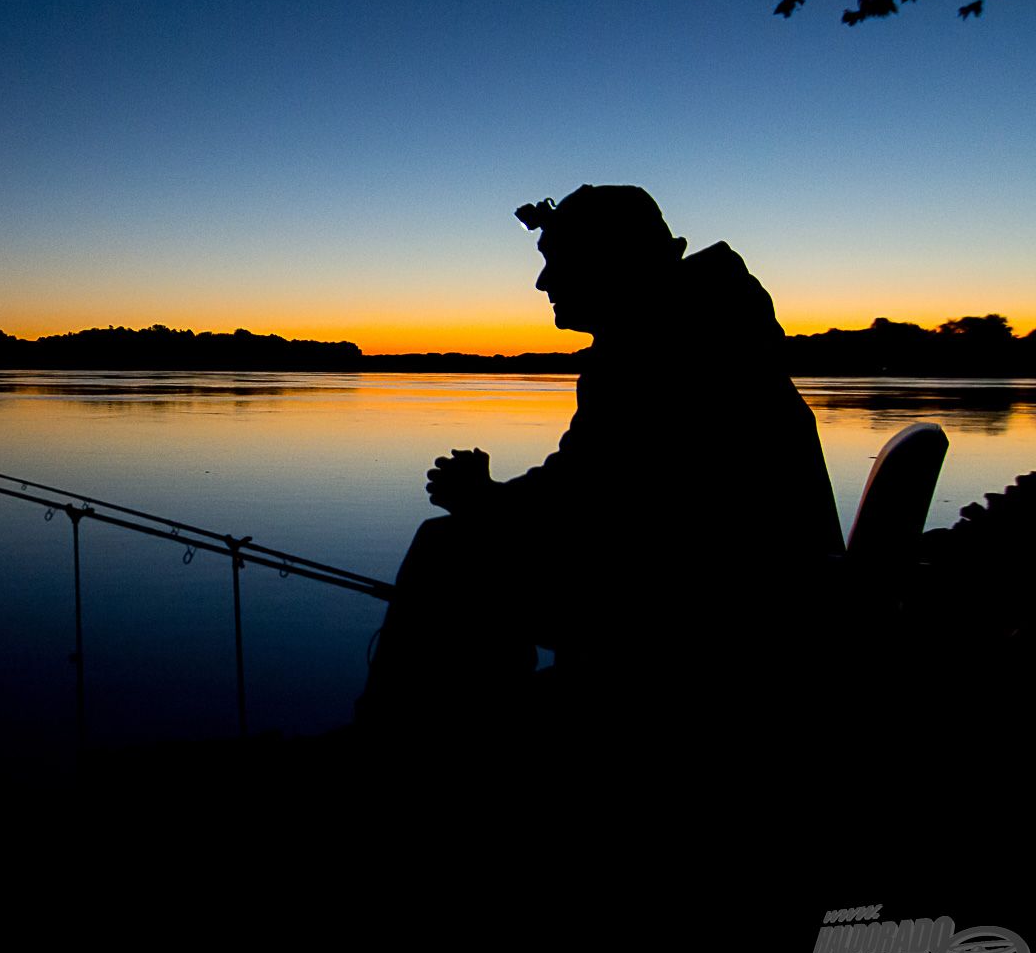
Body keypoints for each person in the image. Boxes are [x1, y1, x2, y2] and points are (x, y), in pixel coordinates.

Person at [355, 185, 843, 742]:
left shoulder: (661, 346)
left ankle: (395, 738)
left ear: (610, 260)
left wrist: (486, 501)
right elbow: (598, 487)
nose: (543, 283)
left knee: (448, 552)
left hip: (723, 613)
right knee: (473, 547)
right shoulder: (695, 323)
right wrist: (494, 500)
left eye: (555, 262)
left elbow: (589, 499)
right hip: (746, 582)